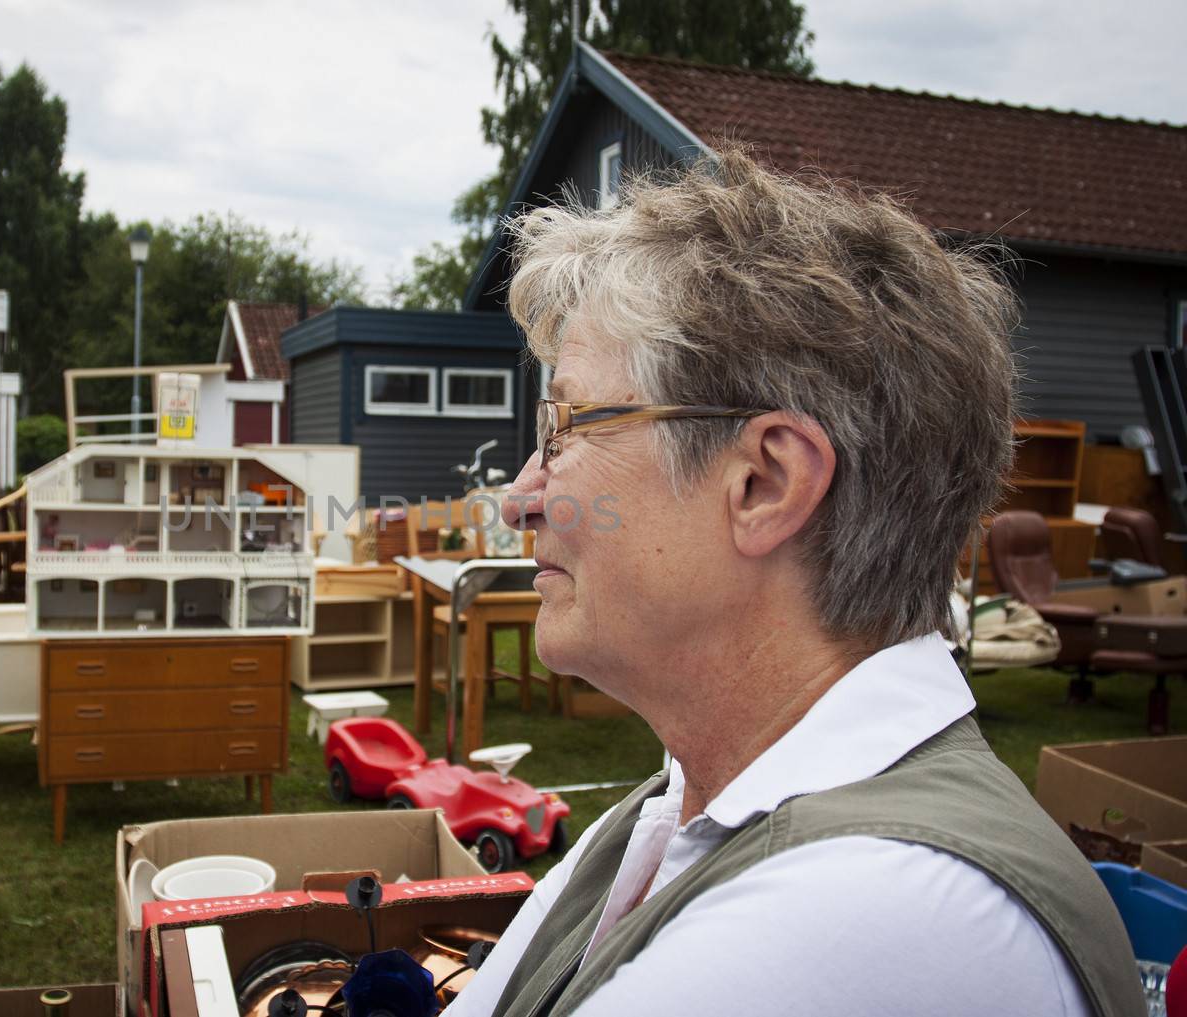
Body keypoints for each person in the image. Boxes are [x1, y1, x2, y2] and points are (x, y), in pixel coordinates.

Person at [451, 149, 1143, 1017]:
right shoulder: (694, 803)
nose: (521, 497)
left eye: (566, 424)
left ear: (765, 484)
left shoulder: (867, 913)